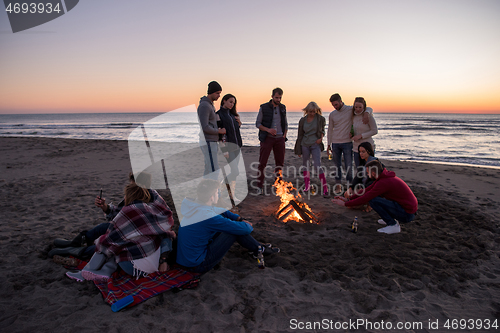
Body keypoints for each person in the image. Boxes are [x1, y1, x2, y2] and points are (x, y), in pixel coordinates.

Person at [64, 174, 176, 281]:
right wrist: (106, 207)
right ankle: (102, 269)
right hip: (152, 258)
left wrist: (164, 259)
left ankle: (84, 271)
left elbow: (111, 238)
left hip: (134, 267)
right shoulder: (151, 207)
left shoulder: (138, 206)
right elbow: (167, 231)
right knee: (118, 238)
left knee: (109, 242)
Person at [176, 179, 279, 274]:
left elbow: (220, 210)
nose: (219, 194)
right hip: (197, 264)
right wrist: (246, 224)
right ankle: (259, 249)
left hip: (185, 259)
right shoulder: (207, 216)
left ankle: (258, 248)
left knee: (231, 225)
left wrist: (238, 218)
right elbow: (244, 229)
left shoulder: (193, 206)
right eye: (217, 192)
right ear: (212, 197)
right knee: (233, 231)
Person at [332, 159, 418, 234]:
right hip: (405, 209)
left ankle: (393, 225)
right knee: (376, 199)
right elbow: (365, 190)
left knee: (373, 200)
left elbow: (366, 197)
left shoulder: (383, 182)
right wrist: (348, 199)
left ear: (373, 173)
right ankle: (390, 220)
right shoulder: (383, 177)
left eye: (368, 173)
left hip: (407, 214)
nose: (367, 175)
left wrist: (345, 204)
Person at [326, 93, 372, 193]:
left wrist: (367, 113)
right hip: (335, 143)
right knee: (337, 166)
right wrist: (328, 144)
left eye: (336, 104)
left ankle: (349, 186)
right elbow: (330, 129)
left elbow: (367, 108)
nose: (335, 107)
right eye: (333, 105)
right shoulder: (332, 114)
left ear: (341, 101)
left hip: (347, 143)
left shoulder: (350, 110)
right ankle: (338, 185)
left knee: (348, 166)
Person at [255, 87, 288, 192]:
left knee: (279, 163)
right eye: (277, 97)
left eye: (280, 98)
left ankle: (278, 184)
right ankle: (259, 185)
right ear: (272, 96)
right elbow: (258, 124)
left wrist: (284, 135)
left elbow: (285, 123)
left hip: (280, 139)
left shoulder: (282, 108)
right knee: (262, 162)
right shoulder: (264, 107)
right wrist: (268, 130)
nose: (278, 100)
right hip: (267, 138)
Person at [293, 101, 328, 196]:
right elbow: (300, 135)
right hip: (305, 144)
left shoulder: (320, 119)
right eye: (310, 111)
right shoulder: (303, 120)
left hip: (315, 144)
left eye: (314, 111)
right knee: (306, 165)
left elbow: (322, 130)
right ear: (307, 111)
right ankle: (307, 186)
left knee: (317, 165)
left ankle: (325, 187)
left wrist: (321, 138)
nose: (312, 113)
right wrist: (298, 149)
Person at [198, 81, 226, 180]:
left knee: (209, 169)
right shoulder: (205, 106)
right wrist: (219, 131)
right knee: (214, 169)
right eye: (217, 93)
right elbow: (205, 127)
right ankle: (211, 192)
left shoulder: (210, 105)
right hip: (208, 141)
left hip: (212, 141)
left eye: (220, 93)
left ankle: (206, 193)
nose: (219, 96)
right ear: (211, 92)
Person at [216, 94, 243, 195]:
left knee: (235, 173)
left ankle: (231, 194)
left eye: (234, 103)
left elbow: (235, 130)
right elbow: (220, 134)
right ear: (224, 101)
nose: (232, 104)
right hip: (228, 148)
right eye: (230, 102)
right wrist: (224, 150)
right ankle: (221, 189)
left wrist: (239, 123)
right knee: (235, 171)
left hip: (237, 146)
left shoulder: (233, 115)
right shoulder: (218, 114)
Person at [351, 97, 378, 168]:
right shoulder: (353, 117)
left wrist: (361, 136)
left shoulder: (368, 117)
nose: (358, 109)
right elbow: (354, 129)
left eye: (360, 107)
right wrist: (351, 134)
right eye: (356, 107)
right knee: (359, 170)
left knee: (369, 170)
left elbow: (374, 130)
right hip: (356, 148)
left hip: (367, 147)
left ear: (364, 107)